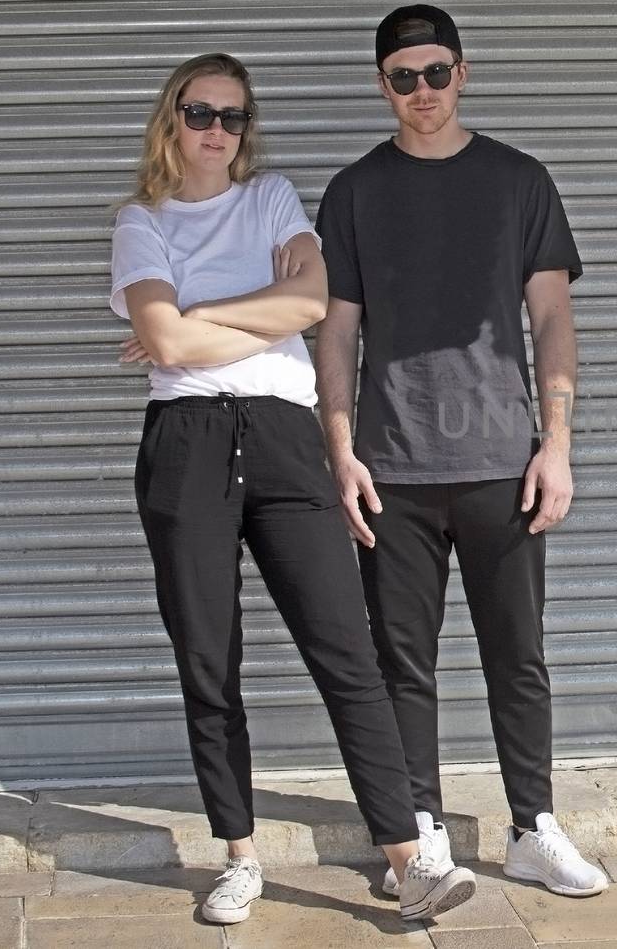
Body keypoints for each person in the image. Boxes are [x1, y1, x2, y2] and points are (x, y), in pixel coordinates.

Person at [109, 52, 475, 926]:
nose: (217, 132)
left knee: (347, 654)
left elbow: (311, 302)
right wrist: (227, 316)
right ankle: (238, 857)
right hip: (187, 446)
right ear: (173, 119)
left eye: (233, 117)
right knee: (209, 660)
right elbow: (167, 347)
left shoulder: (271, 197)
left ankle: (406, 857)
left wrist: (195, 317)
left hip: (282, 436)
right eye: (200, 113)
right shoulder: (139, 219)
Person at [314, 5, 608, 897]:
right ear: (382, 86)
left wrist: (555, 444)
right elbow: (335, 335)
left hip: (502, 461)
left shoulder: (518, 179)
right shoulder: (355, 190)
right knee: (402, 661)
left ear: (464, 73)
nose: (423, 92)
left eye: (437, 72)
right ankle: (422, 832)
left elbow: (552, 316)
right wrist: (339, 450)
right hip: (391, 467)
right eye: (404, 78)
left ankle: (532, 826)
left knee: (517, 653)